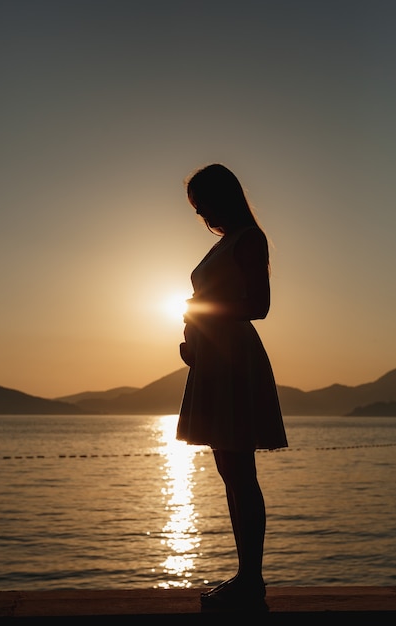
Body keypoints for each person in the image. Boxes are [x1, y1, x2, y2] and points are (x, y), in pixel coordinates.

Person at [177, 163, 288, 611]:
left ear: (223, 196)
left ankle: (251, 580)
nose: (200, 211)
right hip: (212, 361)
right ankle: (245, 576)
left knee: (241, 473)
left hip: (235, 361)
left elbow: (258, 305)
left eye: (202, 202)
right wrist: (194, 341)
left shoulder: (248, 239)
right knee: (230, 473)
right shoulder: (223, 245)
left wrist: (204, 313)